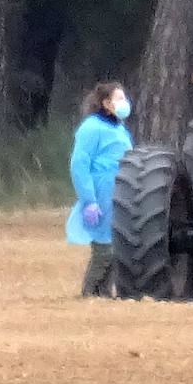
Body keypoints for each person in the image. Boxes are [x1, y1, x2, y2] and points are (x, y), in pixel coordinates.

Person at [65, 81, 133, 298]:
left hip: (121, 191)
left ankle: (103, 294)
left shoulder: (120, 128)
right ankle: (89, 293)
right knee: (104, 250)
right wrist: (89, 199)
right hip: (101, 192)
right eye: (119, 99)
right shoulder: (91, 127)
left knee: (116, 248)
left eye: (124, 98)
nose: (124, 103)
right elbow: (79, 165)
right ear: (106, 103)